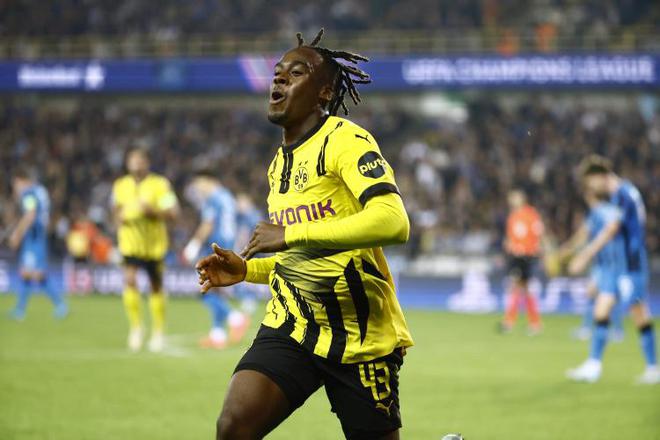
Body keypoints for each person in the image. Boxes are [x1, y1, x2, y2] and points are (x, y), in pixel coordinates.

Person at [196, 29, 414, 439]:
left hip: (358, 337)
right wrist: (248, 271)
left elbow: (393, 221)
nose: (280, 78)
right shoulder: (278, 165)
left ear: (323, 93)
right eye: (278, 72)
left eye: (296, 73)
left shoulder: (346, 140)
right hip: (293, 325)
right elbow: (299, 255)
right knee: (233, 426)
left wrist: (293, 232)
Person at [565, 155, 658, 384]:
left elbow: (611, 229)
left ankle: (653, 367)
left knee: (639, 311)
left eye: (591, 182)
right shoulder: (620, 194)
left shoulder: (624, 194)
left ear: (600, 176)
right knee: (602, 308)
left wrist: (585, 255)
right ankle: (593, 365)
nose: (591, 188)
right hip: (619, 265)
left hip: (632, 263)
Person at [111, 148, 179, 352]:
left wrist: (153, 212)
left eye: (140, 160)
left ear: (147, 163)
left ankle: (158, 331)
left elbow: (173, 213)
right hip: (130, 243)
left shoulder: (160, 184)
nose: (136, 163)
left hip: (154, 245)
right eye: (132, 160)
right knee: (129, 280)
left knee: (155, 286)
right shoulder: (120, 185)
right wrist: (118, 219)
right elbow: (116, 211)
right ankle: (136, 328)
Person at [182, 170, 249, 349]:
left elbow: (208, 223)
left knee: (204, 291)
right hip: (227, 247)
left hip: (215, 247)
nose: (198, 189)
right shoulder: (228, 197)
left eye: (199, 184)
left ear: (208, 181)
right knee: (216, 291)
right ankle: (217, 335)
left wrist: (193, 244)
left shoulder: (212, 199)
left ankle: (236, 319)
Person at [8, 166, 67, 320]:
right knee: (26, 272)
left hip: (34, 236)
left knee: (37, 274)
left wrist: (17, 233)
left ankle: (60, 305)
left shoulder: (28, 193)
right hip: (37, 234)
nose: (15, 188)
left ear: (21, 181)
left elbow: (30, 215)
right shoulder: (40, 190)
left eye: (15, 184)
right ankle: (20, 309)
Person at [499, 188, 544, 334]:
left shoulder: (530, 214)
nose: (512, 200)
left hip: (526, 256)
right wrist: (508, 245)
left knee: (519, 288)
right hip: (515, 256)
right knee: (519, 288)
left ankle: (518, 322)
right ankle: (528, 322)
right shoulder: (513, 216)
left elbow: (538, 234)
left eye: (515, 197)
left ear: (522, 199)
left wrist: (536, 249)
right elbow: (510, 237)